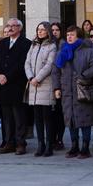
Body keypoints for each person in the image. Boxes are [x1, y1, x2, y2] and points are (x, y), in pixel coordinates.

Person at [52, 25, 93, 159]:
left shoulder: (88, 50)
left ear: (78, 36)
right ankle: (74, 146)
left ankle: (85, 147)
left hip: (83, 90)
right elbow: (55, 71)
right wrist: (56, 88)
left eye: (72, 35)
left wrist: (84, 75)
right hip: (67, 91)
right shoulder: (62, 51)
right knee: (70, 120)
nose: (69, 37)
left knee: (85, 119)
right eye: (68, 35)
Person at [0, 18, 32, 155]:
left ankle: (20, 143)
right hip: (2, 85)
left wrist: (7, 76)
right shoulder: (3, 42)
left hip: (17, 84)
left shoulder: (26, 43)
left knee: (19, 116)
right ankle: (8, 142)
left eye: (13, 26)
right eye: (8, 26)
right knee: (6, 116)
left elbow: (22, 64)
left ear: (19, 28)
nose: (9, 28)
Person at [25, 21, 57, 157]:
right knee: (37, 118)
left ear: (48, 31)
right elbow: (26, 63)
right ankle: (40, 144)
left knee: (47, 118)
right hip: (33, 86)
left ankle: (49, 145)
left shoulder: (52, 46)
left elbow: (49, 65)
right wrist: (31, 77)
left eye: (43, 30)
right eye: (38, 29)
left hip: (45, 85)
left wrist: (38, 78)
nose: (40, 32)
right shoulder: (33, 45)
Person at [49, 22, 66, 151]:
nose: (54, 32)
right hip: (47, 82)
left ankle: (59, 139)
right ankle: (51, 138)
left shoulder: (63, 45)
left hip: (60, 83)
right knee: (51, 115)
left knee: (59, 113)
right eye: (52, 30)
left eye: (57, 30)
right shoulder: (48, 44)